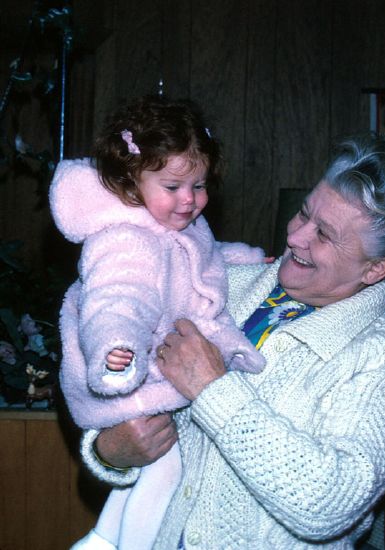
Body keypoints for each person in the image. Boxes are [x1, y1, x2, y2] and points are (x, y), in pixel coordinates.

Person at [78, 134, 385, 549]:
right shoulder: (219, 285)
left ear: (376, 268)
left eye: (324, 234)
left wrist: (213, 390)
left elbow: (329, 503)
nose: (297, 236)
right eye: (304, 212)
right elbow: (125, 390)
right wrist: (109, 451)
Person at [50, 95, 266, 550]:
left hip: (150, 369)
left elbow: (200, 263)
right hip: (126, 366)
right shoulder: (125, 240)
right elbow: (118, 299)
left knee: (152, 475)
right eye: (173, 186)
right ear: (131, 182)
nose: (190, 200)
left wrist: (249, 260)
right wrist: (115, 345)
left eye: (201, 185)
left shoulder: (171, 226)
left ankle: (101, 540)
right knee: (168, 471)